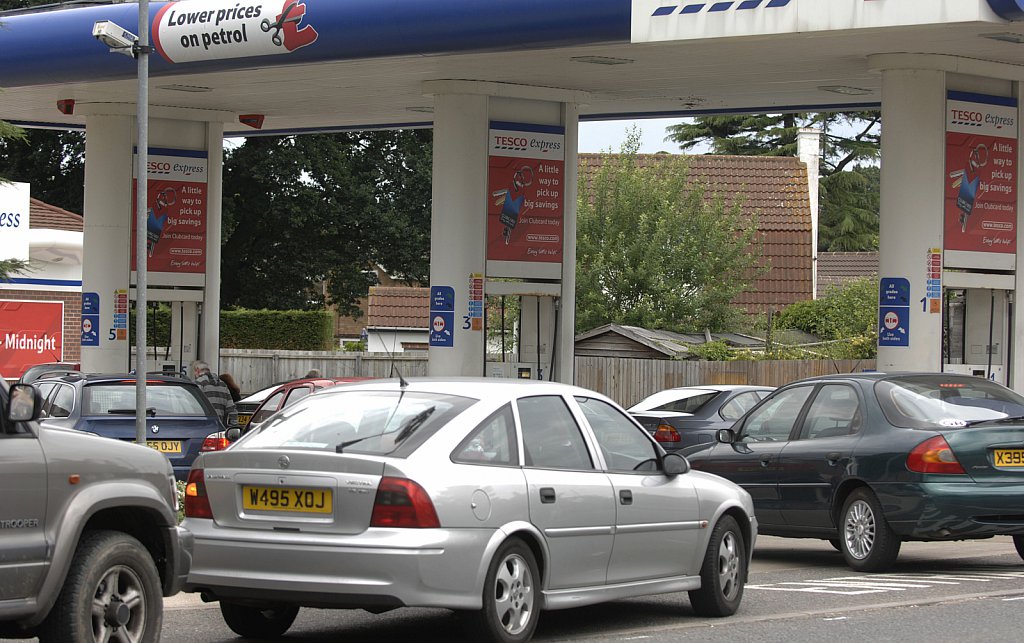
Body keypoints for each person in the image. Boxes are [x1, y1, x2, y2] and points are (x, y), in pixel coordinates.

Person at [190, 359, 238, 427]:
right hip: (219, 427)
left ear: (197, 370)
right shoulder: (223, 384)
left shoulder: (198, 383)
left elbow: (193, 406)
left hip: (203, 426)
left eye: (194, 372)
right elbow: (231, 408)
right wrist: (233, 426)